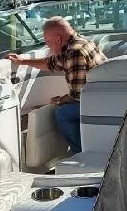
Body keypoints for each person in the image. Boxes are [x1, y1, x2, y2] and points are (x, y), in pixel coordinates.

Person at [8, 17, 106, 155]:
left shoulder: (74, 52)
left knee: (63, 113)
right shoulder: (80, 43)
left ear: (58, 39)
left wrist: (58, 101)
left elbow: (78, 96)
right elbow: (51, 63)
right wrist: (22, 61)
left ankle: (81, 154)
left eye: (48, 42)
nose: (47, 46)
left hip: (99, 103)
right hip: (104, 98)